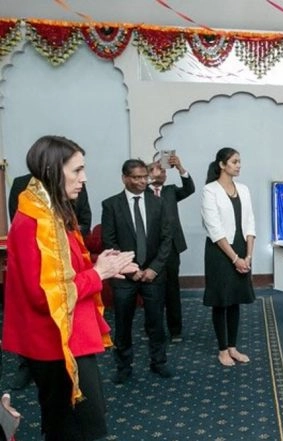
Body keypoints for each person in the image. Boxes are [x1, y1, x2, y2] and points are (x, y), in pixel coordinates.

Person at [2, 135, 137, 440]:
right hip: (53, 342)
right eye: (77, 170)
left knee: (80, 423)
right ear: (52, 170)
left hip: (70, 334)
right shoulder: (33, 222)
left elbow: (67, 268)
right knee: (71, 427)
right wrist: (99, 274)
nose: (84, 178)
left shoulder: (52, 211)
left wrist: (101, 264)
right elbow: (44, 295)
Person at [6, 172, 92, 391]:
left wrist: (67, 234)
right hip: (45, 268)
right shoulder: (21, 187)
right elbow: (18, 219)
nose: (83, 177)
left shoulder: (75, 188)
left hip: (70, 265)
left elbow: (84, 219)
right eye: (76, 169)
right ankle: (26, 365)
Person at [101, 159, 174, 384]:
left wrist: (153, 269)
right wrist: (129, 269)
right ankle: (123, 367)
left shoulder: (158, 203)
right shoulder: (111, 205)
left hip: (154, 274)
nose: (143, 181)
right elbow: (109, 242)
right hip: (124, 276)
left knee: (156, 321)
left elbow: (166, 239)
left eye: (145, 177)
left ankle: (158, 362)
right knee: (123, 323)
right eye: (137, 177)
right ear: (124, 178)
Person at [200, 147, 255, 367]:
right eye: (234, 162)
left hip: (242, 248)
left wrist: (248, 255)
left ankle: (233, 347)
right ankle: (222, 349)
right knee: (221, 301)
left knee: (235, 300)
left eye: (240, 161)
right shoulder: (210, 190)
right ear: (222, 165)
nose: (238, 165)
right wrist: (235, 259)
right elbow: (214, 229)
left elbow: (250, 221)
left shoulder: (243, 189)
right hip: (220, 251)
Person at [147, 152, 195, 343]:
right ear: (149, 173)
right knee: (151, 291)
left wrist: (180, 167)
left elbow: (189, 188)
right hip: (150, 249)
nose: (164, 170)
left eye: (164, 168)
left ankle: (175, 330)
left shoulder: (170, 191)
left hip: (172, 248)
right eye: (158, 167)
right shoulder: (142, 193)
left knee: (172, 289)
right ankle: (153, 329)